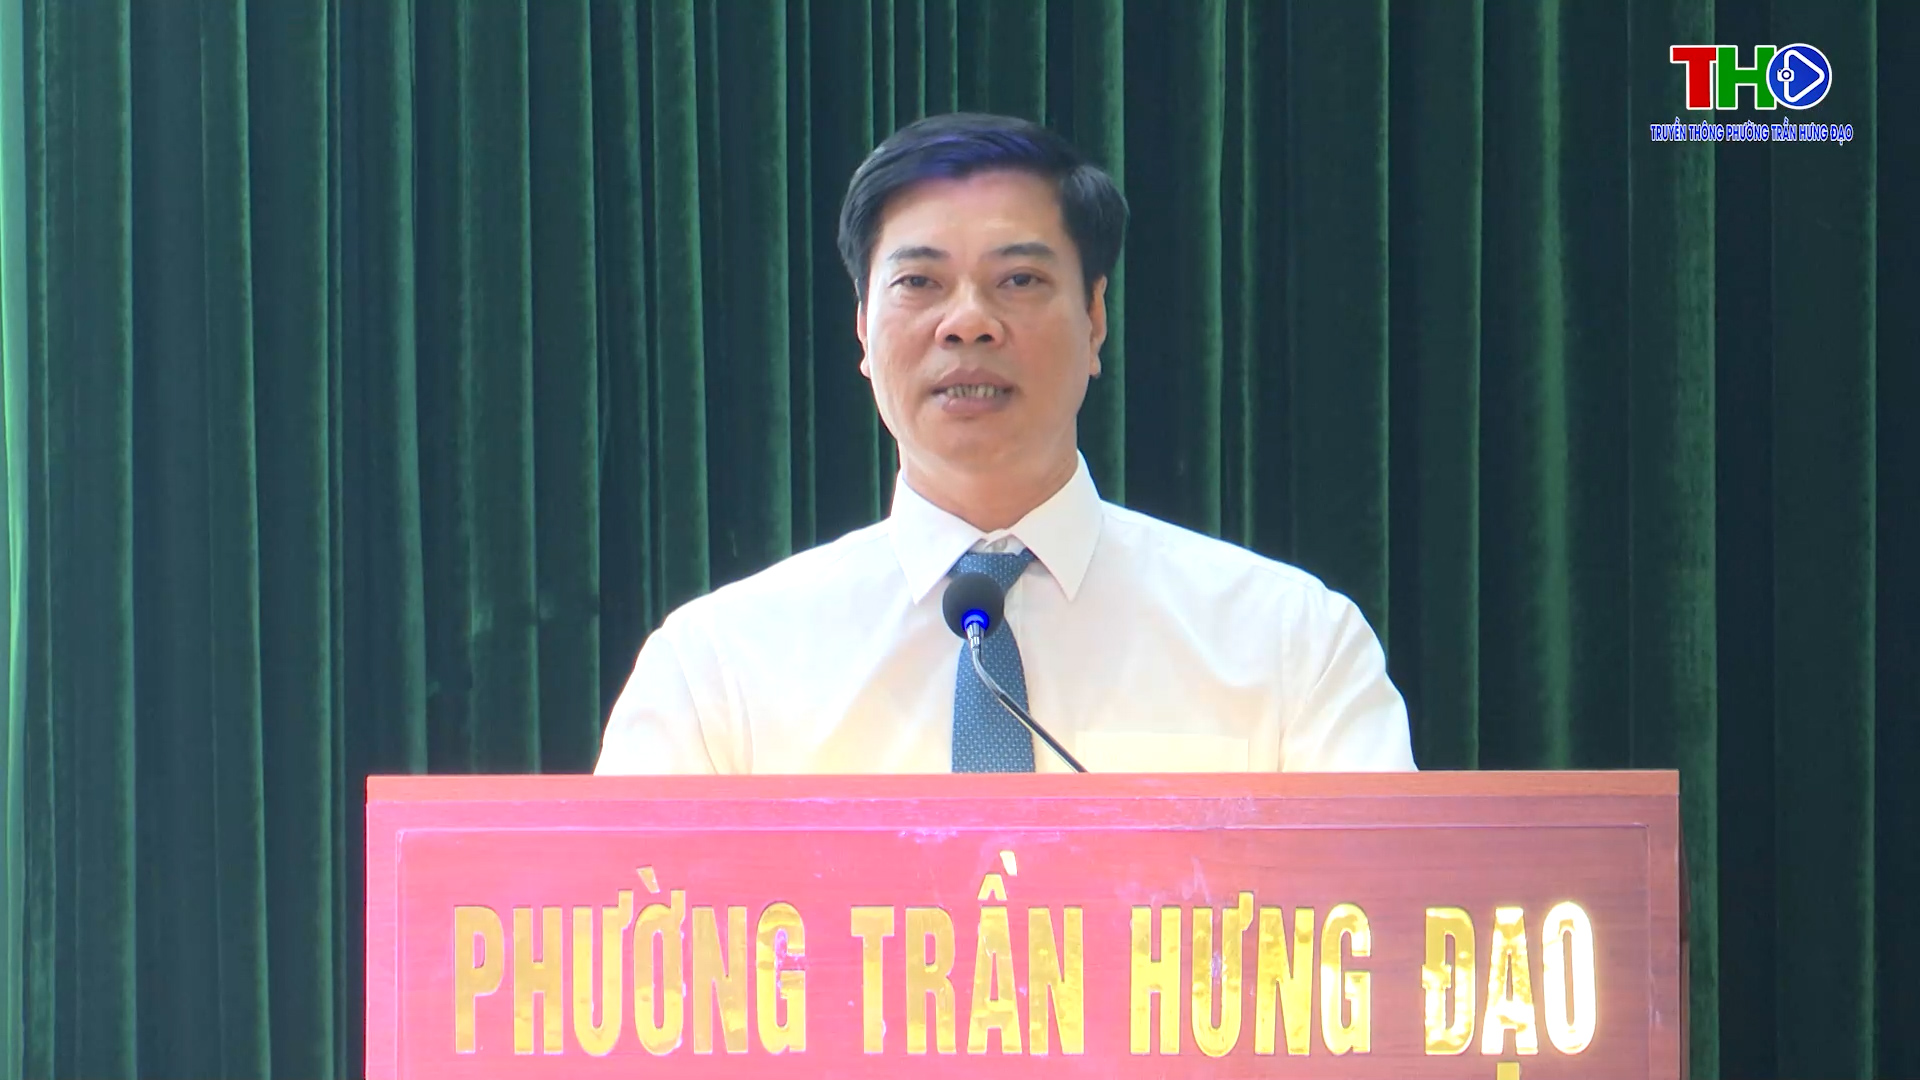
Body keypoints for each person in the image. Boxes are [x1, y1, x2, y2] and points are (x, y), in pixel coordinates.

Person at [594, 112, 1415, 775]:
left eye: (1019, 280)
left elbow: (1383, 916)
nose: (968, 322)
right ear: (862, 328)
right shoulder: (719, 668)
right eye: (919, 283)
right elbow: (626, 924)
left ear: (1095, 319)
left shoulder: (1289, 642)